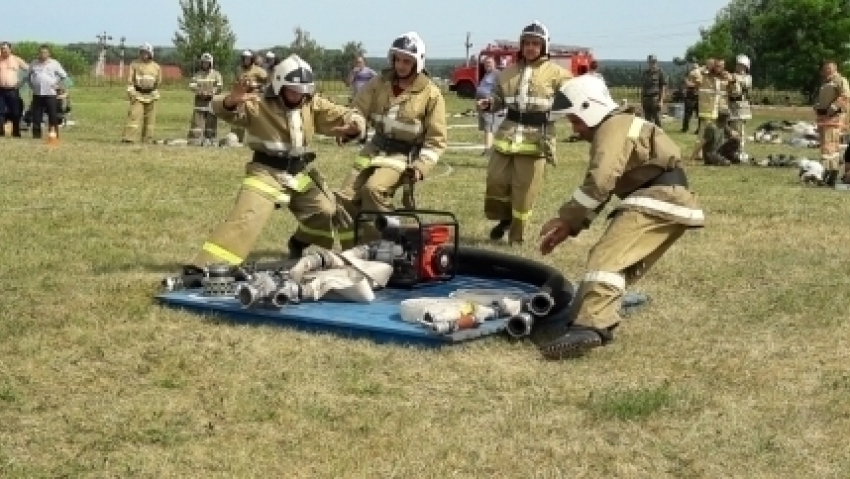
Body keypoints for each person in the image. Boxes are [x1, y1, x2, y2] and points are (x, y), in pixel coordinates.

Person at [536, 74, 704, 359]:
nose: (575, 129)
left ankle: (591, 327)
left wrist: (567, 218)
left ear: (591, 107)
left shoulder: (612, 126)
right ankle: (585, 317)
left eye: (576, 120)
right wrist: (574, 225)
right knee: (618, 266)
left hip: (656, 198)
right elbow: (608, 186)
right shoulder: (621, 125)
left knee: (606, 258)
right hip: (666, 198)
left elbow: (600, 182)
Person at [184, 54, 366, 273]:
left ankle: (301, 242)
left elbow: (345, 114)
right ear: (280, 85)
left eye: (303, 90)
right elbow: (220, 109)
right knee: (247, 217)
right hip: (266, 172)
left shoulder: (311, 103)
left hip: (300, 173)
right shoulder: (257, 103)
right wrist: (231, 100)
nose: (299, 95)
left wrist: (355, 125)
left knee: (326, 210)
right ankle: (206, 266)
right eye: (293, 90)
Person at [335, 32, 447, 249]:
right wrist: (352, 128)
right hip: (374, 148)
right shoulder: (378, 83)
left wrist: (420, 166)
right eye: (397, 59)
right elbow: (358, 109)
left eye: (407, 61)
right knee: (345, 198)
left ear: (418, 62)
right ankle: (351, 253)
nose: (401, 65)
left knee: (373, 190)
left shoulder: (431, 94)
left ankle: (392, 244)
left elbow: (436, 140)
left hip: (402, 155)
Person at [477, 21, 572, 244]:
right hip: (506, 136)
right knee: (495, 180)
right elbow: (500, 99)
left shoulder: (558, 74)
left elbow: (573, 99)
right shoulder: (507, 72)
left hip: (536, 139)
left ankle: (516, 237)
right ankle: (504, 218)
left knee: (523, 191)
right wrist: (490, 103)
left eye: (535, 43)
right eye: (527, 43)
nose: (530, 47)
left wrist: (555, 114)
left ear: (544, 46)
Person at [814, 60, 849, 186]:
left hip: (834, 119)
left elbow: (845, 96)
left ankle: (830, 173)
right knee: (826, 147)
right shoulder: (825, 83)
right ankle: (827, 172)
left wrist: (834, 107)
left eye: (829, 68)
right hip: (824, 119)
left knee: (831, 148)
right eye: (825, 69)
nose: (827, 71)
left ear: (835, 68)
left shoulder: (840, 80)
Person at [121, 43, 162, 144]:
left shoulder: (156, 67)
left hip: (151, 95)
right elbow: (130, 80)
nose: (144, 55)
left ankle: (147, 139)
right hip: (138, 94)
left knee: (150, 120)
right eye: (142, 52)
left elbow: (158, 81)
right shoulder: (134, 64)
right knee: (134, 116)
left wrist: (153, 91)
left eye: (146, 53)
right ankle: (129, 138)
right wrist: (131, 92)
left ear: (150, 53)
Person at [26, 44, 68, 141]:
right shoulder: (34, 63)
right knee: (36, 116)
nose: (42, 54)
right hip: (37, 94)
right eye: (40, 52)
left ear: (49, 53)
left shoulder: (54, 63)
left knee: (52, 116)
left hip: (50, 94)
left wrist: (57, 84)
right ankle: (36, 136)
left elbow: (64, 75)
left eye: (45, 52)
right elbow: (28, 76)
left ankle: (53, 135)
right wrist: (31, 85)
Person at [230, 50, 269, 144]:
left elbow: (268, 83)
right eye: (244, 58)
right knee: (238, 118)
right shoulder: (239, 69)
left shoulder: (259, 70)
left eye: (248, 59)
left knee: (255, 119)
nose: (245, 60)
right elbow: (235, 82)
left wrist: (257, 85)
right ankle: (236, 139)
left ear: (252, 60)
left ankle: (257, 140)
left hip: (253, 98)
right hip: (241, 97)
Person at [187, 53, 223, 145]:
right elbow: (192, 85)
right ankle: (196, 139)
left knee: (211, 123)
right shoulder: (197, 74)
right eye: (204, 63)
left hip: (211, 102)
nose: (205, 65)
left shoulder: (216, 74)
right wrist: (199, 92)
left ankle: (210, 139)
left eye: (207, 63)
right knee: (197, 122)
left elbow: (219, 86)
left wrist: (211, 92)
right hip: (199, 102)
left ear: (210, 63)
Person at [475, 56, 503, 155]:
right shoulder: (487, 74)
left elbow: (499, 90)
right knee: (486, 128)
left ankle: (488, 151)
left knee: (489, 127)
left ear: (494, 64)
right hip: (482, 105)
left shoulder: (497, 74)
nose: (488, 65)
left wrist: (488, 100)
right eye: (486, 63)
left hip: (489, 105)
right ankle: (488, 149)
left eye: (490, 63)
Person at [0, 42, 28, 137]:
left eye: (5, 48)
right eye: (2, 48)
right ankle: (1, 132)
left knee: (15, 112)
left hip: (13, 90)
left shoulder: (16, 59)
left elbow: (29, 70)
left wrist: (22, 82)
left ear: (10, 49)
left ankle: (16, 132)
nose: (4, 50)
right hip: (1, 91)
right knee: (0, 112)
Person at [728, 54, 753, 161]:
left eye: (742, 65)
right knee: (731, 129)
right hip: (731, 105)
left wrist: (735, 79)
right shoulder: (732, 75)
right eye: (738, 65)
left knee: (741, 130)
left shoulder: (747, 77)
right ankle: (731, 150)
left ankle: (740, 150)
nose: (739, 67)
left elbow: (745, 84)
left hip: (741, 106)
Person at [639, 54, 667, 127]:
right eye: (651, 62)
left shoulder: (660, 72)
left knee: (657, 119)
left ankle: (660, 136)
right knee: (647, 121)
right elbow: (643, 87)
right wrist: (641, 100)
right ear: (648, 63)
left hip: (655, 98)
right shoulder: (645, 73)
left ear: (656, 62)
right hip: (646, 99)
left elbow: (663, 87)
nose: (652, 64)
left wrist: (661, 101)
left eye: (654, 62)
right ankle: (649, 137)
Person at [680, 58, 702, 134]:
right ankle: (685, 128)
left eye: (695, 62)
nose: (694, 64)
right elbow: (686, 83)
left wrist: (694, 84)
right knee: (687, 113)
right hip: (690, 94)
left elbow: (701, 82)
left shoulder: (700, 71)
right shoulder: (688, 72)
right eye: (692, 63)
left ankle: (699, 129)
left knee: (700, 114)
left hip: (698, 95)